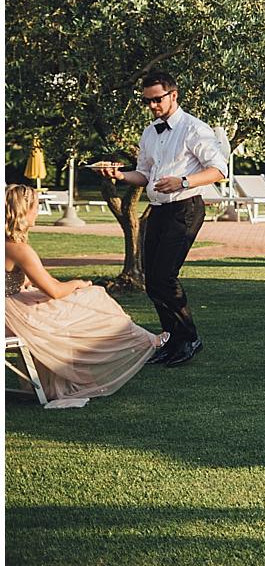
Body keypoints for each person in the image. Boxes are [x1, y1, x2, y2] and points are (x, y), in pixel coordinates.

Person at [95, 71, 228, 365]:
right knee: (153, 281)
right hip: (158, 210)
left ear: (173, 95)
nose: (153, 106)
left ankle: (189, 338)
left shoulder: (194, 129)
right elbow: (143, 175)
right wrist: (118, 174)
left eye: (157, 99)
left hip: (185, 208)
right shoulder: (149, 132)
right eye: (148, 101)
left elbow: (220, 170)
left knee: (164, 276)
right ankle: (172, 340)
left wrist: (182, 181)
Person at [5, 184, 165, 406]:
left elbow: (41, 282)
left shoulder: (12, 246)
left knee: (73, 303)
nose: (37, 211)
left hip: (10, 305)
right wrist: (79, 283)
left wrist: (70, 288)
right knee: (91, 296)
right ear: (23, 210)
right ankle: (138, 339)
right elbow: (54, 290)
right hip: (9, 314)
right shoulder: (19, 249)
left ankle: (133, 341)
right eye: (35, 207)